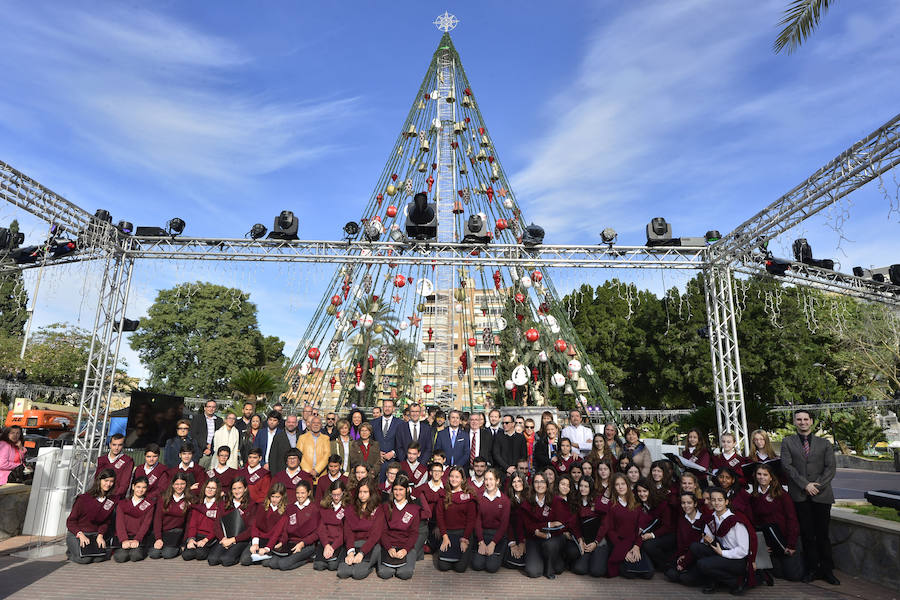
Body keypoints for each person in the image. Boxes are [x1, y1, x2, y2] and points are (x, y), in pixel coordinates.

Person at [780, 409, 838, 585]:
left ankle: (827, 570)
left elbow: (831, 468)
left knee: (822, 534)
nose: (803, 422)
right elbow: (787, 466)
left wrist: (816, 486)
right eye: (799, 419)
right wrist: (805, 484)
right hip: (800, 495)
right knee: (807, 535)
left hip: (822, 495)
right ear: (795, 422)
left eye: (806, 419)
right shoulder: (787, 442)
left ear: (811, 421)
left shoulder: (825, 443)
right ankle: (812, 569)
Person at [689, 486, 757, 595]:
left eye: (720, 500)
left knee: (702, 564)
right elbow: (708, 538)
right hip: (721, 551)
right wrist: (706, 540)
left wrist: (722, 553)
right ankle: (713, 581)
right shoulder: (713, 517)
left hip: (737, 559)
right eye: (714, 500)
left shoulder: (736, 522)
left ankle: (735, 581)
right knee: (695, 547)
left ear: (726, 502)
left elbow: (743, 550)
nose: (717, 503)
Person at [749, 463, 804, 583]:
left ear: (771, 477)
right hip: (771, 542)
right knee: (778, 574)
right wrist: (762, 545)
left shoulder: (782, 495)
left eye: (765, 474)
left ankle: (801, 557)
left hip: (786, 539)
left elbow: (792, 519)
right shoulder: (754, 496)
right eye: (759, 474)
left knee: (794, 576)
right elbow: (755, 522)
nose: (762, 477)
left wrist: (791, 544)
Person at [595, 473, 652, 578]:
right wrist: (623, 551)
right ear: (613, 487)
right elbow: (610, 530)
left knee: (648, 574)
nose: (620, 487)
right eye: (617, 485)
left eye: (623, 484)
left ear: (628, 485)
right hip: (618, 543)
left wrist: (637, 546)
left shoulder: (636, 504)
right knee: (629, 574)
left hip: (634, 542)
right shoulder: (611, 505)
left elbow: (641, 528)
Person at [265, 480, 320, 570]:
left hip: (306, 545)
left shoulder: (314, 509)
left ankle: (307, 559)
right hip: (291, 543)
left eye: (303, 493)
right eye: (297, 493)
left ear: (309, 493)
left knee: (283, 565)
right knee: (272, 563)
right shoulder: (291, 507)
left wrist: (302, 543)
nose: (300, 495)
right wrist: (282, 542)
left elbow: (316, 533)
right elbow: (286, 529)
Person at [377, 474, 424, 580]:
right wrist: (389, 548)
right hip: (388, 546)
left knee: (404, 574)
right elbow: (382, 531)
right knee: (384, 573)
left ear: (407, 490)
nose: (398, 493)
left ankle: (409, 556)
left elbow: (414, 533)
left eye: (401, 489)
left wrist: (405, 550)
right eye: (395, 489)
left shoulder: (414, 509)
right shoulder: (385, 507)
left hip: (405, 547)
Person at [520, 472, 566, 579]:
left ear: (547, 483)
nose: (539, 485)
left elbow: (560, 524)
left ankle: (550, 562)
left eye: (542, 482)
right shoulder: (527, 502)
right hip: (534, 538)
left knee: (558, 568)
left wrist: (546, 534)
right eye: (536, 482)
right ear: (532, 484)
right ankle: (541, 560)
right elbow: (528, 526)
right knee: (533, 572)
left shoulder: (556, 500)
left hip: (552, 538)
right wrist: (548, 524)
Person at [66, 468, 116, 564]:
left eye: (111, 481)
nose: (108, 484)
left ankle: (82, 551)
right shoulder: (83, 499)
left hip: (95, 535)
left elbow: (105, 522)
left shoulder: (110, 501)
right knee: (85, 559)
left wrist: (100, 535)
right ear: (99, 480)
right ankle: (71, 552)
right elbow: (71, 521)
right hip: (78, 534)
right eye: (106, 481)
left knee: (99, 558)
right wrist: (80, 535)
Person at [338, 477, 385, 580]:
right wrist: (350, 552)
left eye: (365, 492)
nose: (362, 495)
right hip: (353, 544)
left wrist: (361, 553)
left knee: (358, 574)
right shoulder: (351, 508)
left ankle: (372, 564)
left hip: (369, 546)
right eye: (360, 492)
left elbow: (375, 535)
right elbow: (348, 531)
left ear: (371, 493)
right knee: (343, 573)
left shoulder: (378, 509)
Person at [207, 477, 257, 567]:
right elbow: (217, 524)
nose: (237, 491)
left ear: (245, 489)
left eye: (240, 488)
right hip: (225, 539)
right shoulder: (224, 503)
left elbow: (251, 529)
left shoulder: (252, 505)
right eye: (234, 488)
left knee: (226, 560)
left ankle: (239, 555)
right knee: (212, 560)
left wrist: (233, 540)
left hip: (240, 539)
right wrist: (223, 539)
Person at [435, 466, 476, 572]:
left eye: (457, 477)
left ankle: (468, 553)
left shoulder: (469, 496)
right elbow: (440, 517)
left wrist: (465, 539)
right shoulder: (443, 494)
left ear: (462, 479)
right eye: (452, 476)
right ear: (448, 478)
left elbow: (471, 520)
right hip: (447, 534)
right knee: (443, 567)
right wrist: (444, 536)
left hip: (463, 534)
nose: (454, 479)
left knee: (460, 568)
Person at [664, 492, 710, 585]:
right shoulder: (681, 519)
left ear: (695, 504)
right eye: (683, 503)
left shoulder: (703, 519)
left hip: (696, 556)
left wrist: (686, 559)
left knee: (686, 579)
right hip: (684, 554)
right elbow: (680, 541)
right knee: (671, 574)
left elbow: (700, 544)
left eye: (689, 503)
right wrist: (681, 555)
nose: (686, 506)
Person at [471, 468, 510, 573]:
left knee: (491, 567)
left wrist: (493, 543)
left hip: (498, 536)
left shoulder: (505, 500)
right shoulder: (479, 498)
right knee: (477, 565)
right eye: (486, 479)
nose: (488, 482)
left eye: (491, 479)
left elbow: (504, 525)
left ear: (497, 481)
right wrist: (481, 542)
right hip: (483, 535)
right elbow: (477, 521)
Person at [240, 482, 287, 566]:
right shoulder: (262, 507)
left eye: (277, 497)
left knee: (266, 563)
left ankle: (266, 555)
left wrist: (267, 548)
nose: (274, 500)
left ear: (282, 497)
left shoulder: (284, 512)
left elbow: (277, 533)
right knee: (245, 560)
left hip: (272, 542)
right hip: (259, 539)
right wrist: (255, 543)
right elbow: (255, 525)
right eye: (272, 496)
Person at [149, 472, 192, 559]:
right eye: (177, 484)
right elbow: (157, 519)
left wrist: (184, 542)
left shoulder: (190, 500)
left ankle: (177, 548)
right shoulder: (163, 497)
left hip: (176, 533)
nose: (179, 487)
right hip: (162, 531)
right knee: (154, 554)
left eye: (182, 484)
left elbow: (188, 523)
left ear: (186, 484)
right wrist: (158, 538)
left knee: (167, 554)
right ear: (172, 484)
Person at [635, 479, 673, 573]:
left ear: (650, 491)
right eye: (639, 491)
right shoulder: (639, 504)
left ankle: (667, 565)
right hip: (651, 531)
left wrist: (652, 535)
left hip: (667, 534)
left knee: (648, 545)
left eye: (645, 491)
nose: (642, 494)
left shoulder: (662, 503)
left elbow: (666, 526)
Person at [569, 477, 604, 576]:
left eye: (586, 486)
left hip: (599, 540)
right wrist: (580, 539)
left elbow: (604, 524)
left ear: (591, 488)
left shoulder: (598, 500)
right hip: (585, 541)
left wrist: (596, 542)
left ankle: (597, 558)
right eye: (581, 486)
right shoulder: (576, 501)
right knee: (579, 569)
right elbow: (574, 524)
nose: (583, 489)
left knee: (596, 571)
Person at [182, 479, 223, 561]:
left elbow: (217, 527)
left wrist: (205, 540)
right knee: (187, 555)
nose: (210, 490)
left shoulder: (220, 505)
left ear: (217, 490)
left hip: (210, 537)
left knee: (200, 554)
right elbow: (193, 525)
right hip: (197, 535)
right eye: (208, 487)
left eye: (213, 488)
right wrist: (191, 539)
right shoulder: (198, 504)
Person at [314, 479, 348, 571]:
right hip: (326, 542)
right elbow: (321, 528)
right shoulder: (325, 507)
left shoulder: (347, 508)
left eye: (339, 495)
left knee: (333, 566)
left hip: (338, 543)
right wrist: (326, 545)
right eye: (334, 495)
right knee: (319, 566)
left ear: (343, 493)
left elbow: (345, 531)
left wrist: (333, 547)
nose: (336, 497)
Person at [94, 432, 133, 499]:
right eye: (114, 445)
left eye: (119, 445)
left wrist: (115, 498)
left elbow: (124, 483)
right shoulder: (102, 460)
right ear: (110, 445)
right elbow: (97, 479)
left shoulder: (127, 461)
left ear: (123, 445)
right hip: (100, 496)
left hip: (116, 498)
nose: (116, 448)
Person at [371, 399, 402, 479]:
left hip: (393, 463)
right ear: (382, 408)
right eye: (385, 406)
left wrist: (393, 452)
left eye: (389, 406)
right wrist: (377, 452)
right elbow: (370, 441)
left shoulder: (400, 423)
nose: (387, 409)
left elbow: (403, 442)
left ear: (393, 408)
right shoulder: (373, 423)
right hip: (377, 462)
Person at [504, 472, 528, 570]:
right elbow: (507, 523)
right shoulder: (507, 499)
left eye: (519, 481)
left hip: (527, 536)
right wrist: (512, 543)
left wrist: (523, 542)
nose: (517, 484)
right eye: (514, 482)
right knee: (511, 562)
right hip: (512, 535)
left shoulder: (530, 498)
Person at [492, 413, 527, 479]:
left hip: (517, 472)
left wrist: (515, 468)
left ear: (513, 424)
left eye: (507, 423)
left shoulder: (521, 438)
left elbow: (524, 455)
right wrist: (507, 468)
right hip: (502, 472)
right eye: (503, 423)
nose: (504, 425)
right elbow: (496, 455)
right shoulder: (498, 437)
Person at [298, 415, 331, 484]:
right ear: (310, 424)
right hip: (306, 474)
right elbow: (299, 455)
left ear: (321, 425)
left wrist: (316, 470)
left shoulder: (326, 438)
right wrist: (309, 471)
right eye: (314, 423)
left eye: (318, 423)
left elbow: (327, 455)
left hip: (321, 475)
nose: (316, 425)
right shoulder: (302, 438)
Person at [189, 400, 222, 466]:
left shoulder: (219, 420)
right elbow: (194, 434)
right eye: (209, 406)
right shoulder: (197, 418)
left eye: (213, 407)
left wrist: (211, 446)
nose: (211, 409)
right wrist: (205, 446)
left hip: (214, 452)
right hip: (200, 452)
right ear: (205, 408)